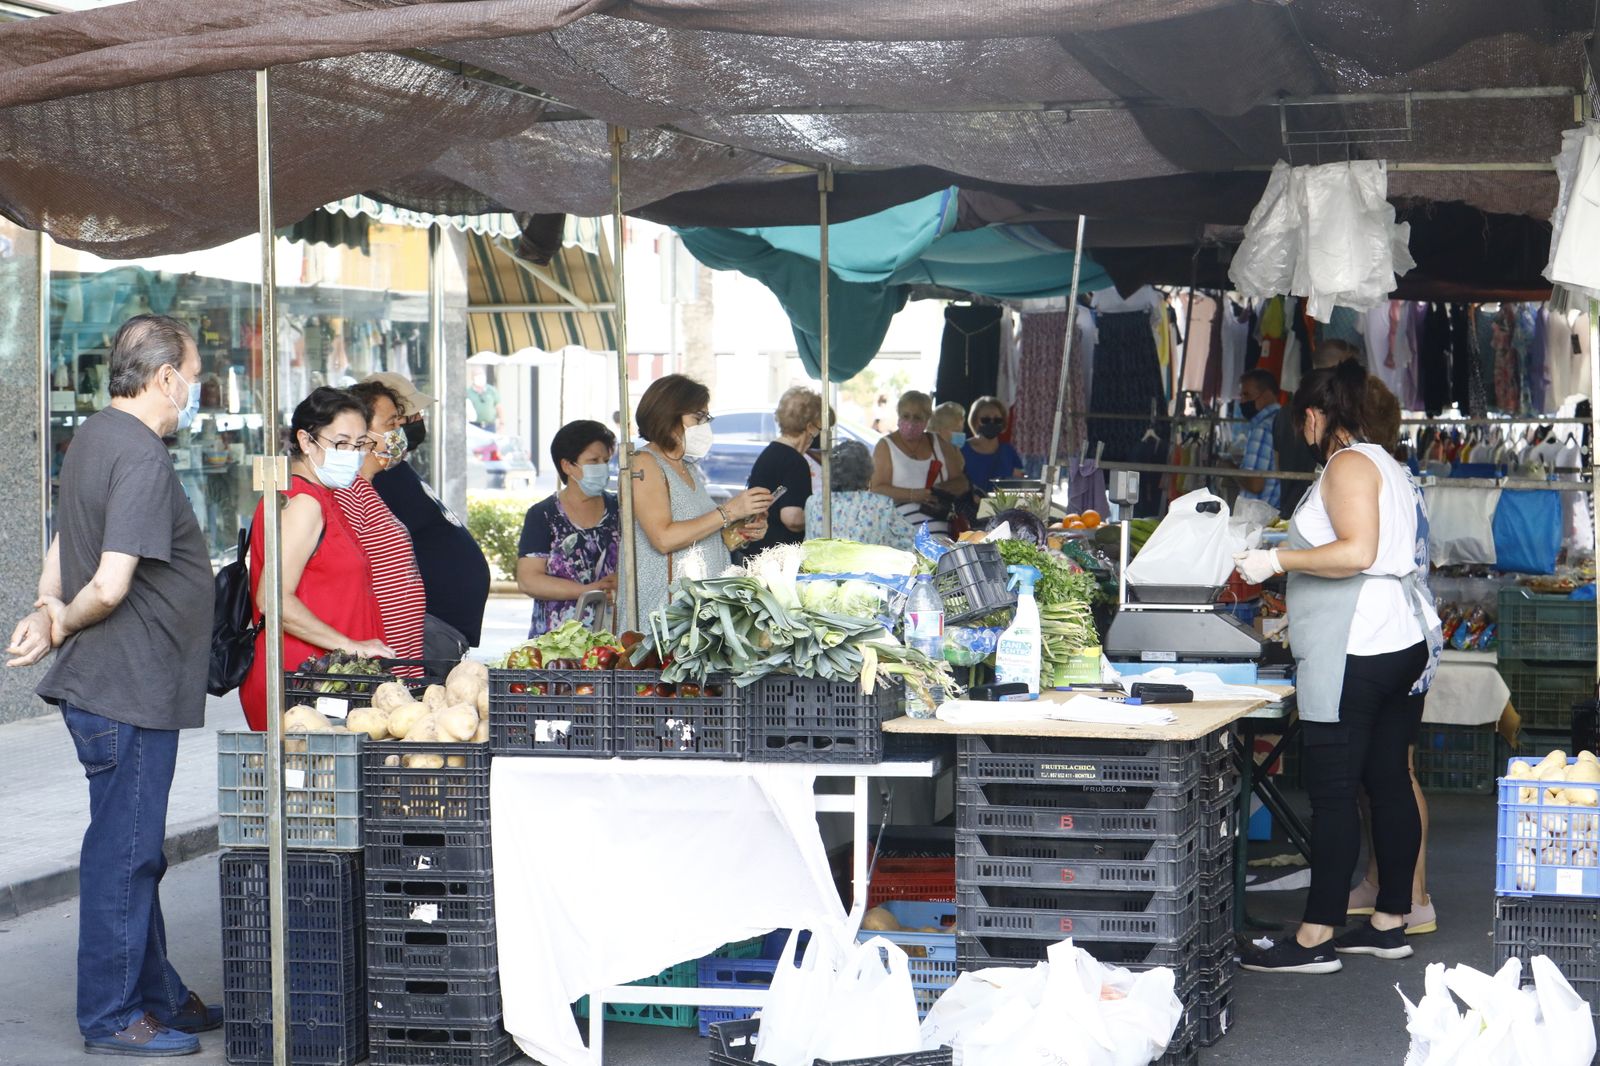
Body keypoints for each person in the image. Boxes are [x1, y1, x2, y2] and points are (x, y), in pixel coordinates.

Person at [6, 314, 222, 1056]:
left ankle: (159, 996)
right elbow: (108, 581)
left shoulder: (95, 435)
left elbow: (66, 538)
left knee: (135, 849)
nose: (193, 392)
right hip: (126, 686)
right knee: (124, 856)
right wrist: (61, 621)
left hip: (122, 687)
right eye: (192, 378)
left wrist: (42, 605)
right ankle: (112, 1016)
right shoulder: (139, 456)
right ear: (165, 378)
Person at [1234, 361, 1440, 975]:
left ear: (1317, 414)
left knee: (1333, 794)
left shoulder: (1349, 464)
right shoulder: (1387, 463)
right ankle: (1388, 922)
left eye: (1303, 418)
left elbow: (1358, 551)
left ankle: (1315, 936)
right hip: (1397, 641)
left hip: (1360, 644)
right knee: (1386, 782)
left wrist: (1276, 561)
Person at [240, 388, 392, 731]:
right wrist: (351, 646)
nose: (351, 455)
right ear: (306, 441)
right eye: (340, 444)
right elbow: (273, 598)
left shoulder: (322, 496)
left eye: (359, 445)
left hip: (329, 680)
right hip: (308, 684)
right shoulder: (303, 503)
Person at [1347, 379, 1436, 935]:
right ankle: (1385, 884)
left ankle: (1415, 894)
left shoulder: (1378, 475)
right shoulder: (1399, 475)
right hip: (1411, 628)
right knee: (1383, 774)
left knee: (1395, 772)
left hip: (1398, 633)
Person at [367, 373, 493, 661]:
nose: (410, 424)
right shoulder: (374, 480)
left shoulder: (396, 470)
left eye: (407, 419)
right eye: (398, 420)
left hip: (438, 629)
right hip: (425, 628)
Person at [631, 374, 771, 622]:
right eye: (698, 418)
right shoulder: (645, 464)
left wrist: (742, 530)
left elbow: (700, 534)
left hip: (701, 608)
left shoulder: (687, 466)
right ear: (667, 414)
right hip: (666, 613)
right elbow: (663, 538)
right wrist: (728, 512)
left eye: (706, 418)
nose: (704, 426)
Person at [337, 379, 427, 670]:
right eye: (390, 425)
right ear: (360, 431)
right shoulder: (347, 492)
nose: (399, 433)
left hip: (401, 651)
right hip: (380, 655)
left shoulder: (368, 488)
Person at [516, 419, 621, 636]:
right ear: (567, 465)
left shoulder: (621, 510)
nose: (602, 467)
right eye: (593, 461)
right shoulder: (543, 515)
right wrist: (587, 591)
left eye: (606, 460)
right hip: (557, 644)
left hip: (615, 641)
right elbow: (529, 580)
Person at [1276, 338, 1359, 515]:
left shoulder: (1284, 412)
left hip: (1291, 508)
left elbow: (1278, 462)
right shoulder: (1342, 412)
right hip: (1325, 514)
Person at [871, 389, 968, 536]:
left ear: (927, 419)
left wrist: (937, 490)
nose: (910, 422)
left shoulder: (939, 443)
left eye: (917, 417)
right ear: (898, 416)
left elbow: (962, 482)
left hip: (942, 527)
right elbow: (877, 489)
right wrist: (913, 495)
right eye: (905, 416)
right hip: (899, 530)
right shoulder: (885, 446)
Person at [740, 386, 822, 558]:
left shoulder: (770, 452)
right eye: (819, 428)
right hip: (778, 554)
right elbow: (792, 518)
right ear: (810, 427)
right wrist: (818, 514)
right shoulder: (796, 462)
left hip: (758, 549)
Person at [805, 440, 917, 550]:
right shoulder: (881, 504)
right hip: (863, 567)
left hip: (820, 566)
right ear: (867, 471)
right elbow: (911, 540)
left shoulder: (813, 502)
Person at [1235, 369, 1282, 511]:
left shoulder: (1262, 429)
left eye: (1247, 395)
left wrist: (1229, 469)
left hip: (1257, 517)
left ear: (1266, 395)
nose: (1242, 401)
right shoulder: (1284, 421)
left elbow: (1255, 484)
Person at [960, 395, 1024, 495]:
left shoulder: (1008, 451)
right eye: (985, 420)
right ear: (975, 421)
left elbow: (1019, 483)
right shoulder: (962, 450)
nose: (991, 423)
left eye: (997, 420)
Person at [467, 367, 504, 433]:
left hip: (490, 426)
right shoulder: (468, 392)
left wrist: (502, 424)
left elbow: (499, 407)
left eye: (482, 375)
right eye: (477, 375)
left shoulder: (492, 391)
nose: (480, 378)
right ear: (472, 378)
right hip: (474, 426)